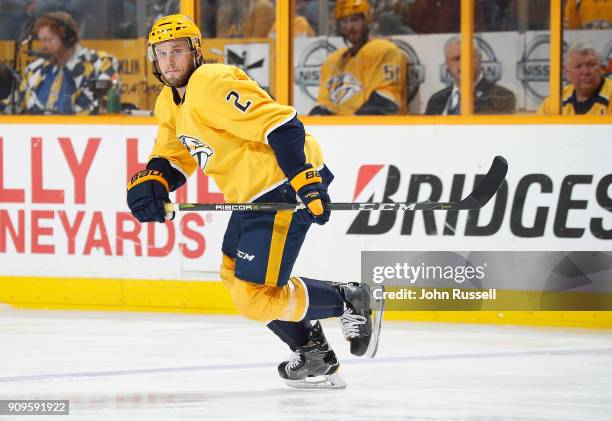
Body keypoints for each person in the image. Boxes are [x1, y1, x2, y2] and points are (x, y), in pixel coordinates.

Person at [126, 14, 383, 389]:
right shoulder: (169, 101)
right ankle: (312, 351)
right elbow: (174, 157)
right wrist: (153, 182)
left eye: (178, 51)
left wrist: (304, 182)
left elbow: (281, 125)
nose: (169, 60)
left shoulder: (212, 82)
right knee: (235, 278)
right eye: (162, 53)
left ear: (196, 52)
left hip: (283, 186)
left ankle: (348, 299)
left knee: (254, 298)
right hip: (252, 196)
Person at [0, 11, 120, 114]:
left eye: (48, 40)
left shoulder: (102, 63)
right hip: (39, 136)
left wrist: (68, 65)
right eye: (41, 40)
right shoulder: (34, 70)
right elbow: (13, 106)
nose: (43, 47)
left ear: (67, 37)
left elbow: (106, 104)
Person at [310, 0, 407, 116]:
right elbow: (323, 105)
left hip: (378, 130)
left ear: (367, 20)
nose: (349, 27)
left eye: (355, 20)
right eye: (344, 22)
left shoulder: (384, 50)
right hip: (341, 129)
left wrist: (351, 126)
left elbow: (386, 101)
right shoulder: (333, 60)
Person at [425, 35, 516, 115]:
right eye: (456, 59)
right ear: (447, 64)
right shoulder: (435, 100)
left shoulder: (502, 96)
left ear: (480, 59)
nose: (463, 64)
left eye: (468, 57)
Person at [539, 41, 612, 115]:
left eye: (591, 64)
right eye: (578, 66)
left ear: (601, 68)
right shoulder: (554, 102)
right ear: (567, 72)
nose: (586, 72)